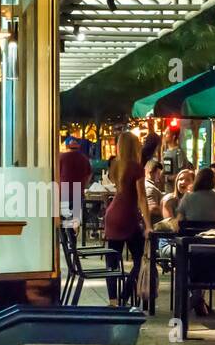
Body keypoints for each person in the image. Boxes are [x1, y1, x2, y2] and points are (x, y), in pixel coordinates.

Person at [103, 129, 153, 307]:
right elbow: (141, 197)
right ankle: (125, 294)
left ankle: (113, 301)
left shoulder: (115, 165)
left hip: (113, 214)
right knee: (140, 259)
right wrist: (148, 225)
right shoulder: (136, 167)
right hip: (127, 215)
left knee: (112, 261)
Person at [58, 136, 92, 221]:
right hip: (78, 189)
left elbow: (57, 173)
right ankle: (73, 232)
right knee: (75, 217)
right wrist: (84, 185)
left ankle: (67, 232)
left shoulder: (62, 157)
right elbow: (89, 174)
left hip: (64, 189)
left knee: (65, 216)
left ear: (68, 147)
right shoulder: (84, 158)